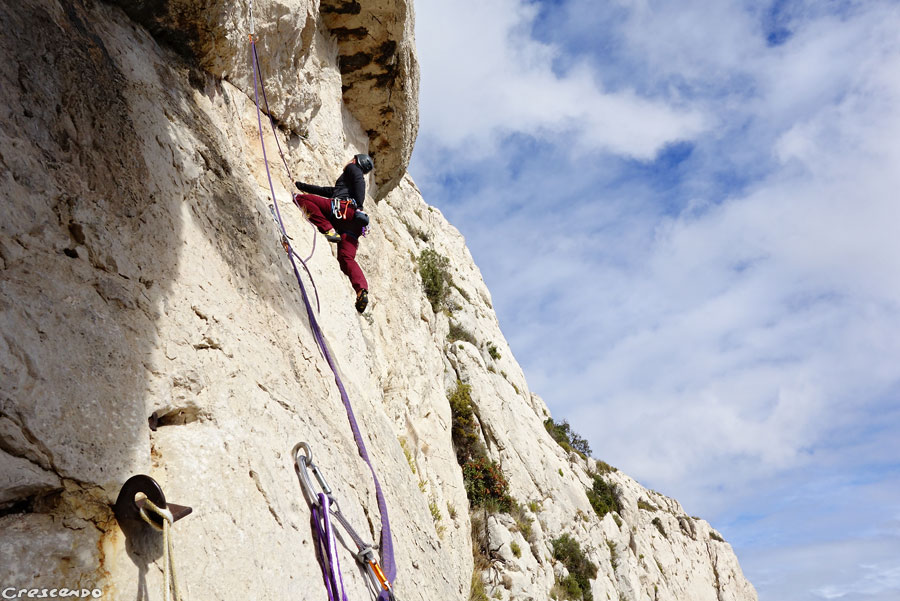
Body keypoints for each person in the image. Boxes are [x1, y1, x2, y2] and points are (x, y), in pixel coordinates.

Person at [293, 154, 374, 313]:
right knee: (346, 259)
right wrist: (302, 185)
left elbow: (359, 182)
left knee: (301, 199)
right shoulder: (346, 184)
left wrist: (359, 206)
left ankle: (328, 228)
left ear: (355, 160)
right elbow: (328, 191)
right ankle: (361, 290)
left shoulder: (353, 169)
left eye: (351, 159)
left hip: (343, 210)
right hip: (353, 225)